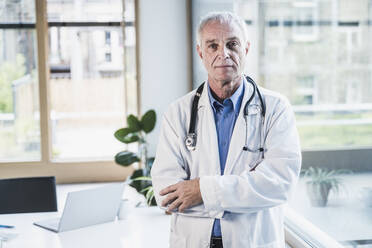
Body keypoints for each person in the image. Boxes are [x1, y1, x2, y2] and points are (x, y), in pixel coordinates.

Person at [151, 11, 301, 248]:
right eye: (212, 45)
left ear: (246, 49)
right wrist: (243, 192)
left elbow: (279, 184)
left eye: (232, 44)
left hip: (252, 241)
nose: (224, 53)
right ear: (200, 52)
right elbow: (166, 194)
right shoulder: (178, 112)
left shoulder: (275, 109)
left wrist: (200, 190)